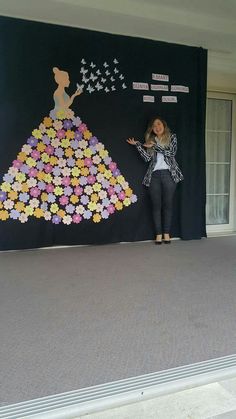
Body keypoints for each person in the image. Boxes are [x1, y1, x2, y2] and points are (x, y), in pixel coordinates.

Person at [127, 117, 183, 244]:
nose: (157, 127)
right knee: (156, 206)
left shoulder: (172, 137)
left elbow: (172, 152)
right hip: (154, 176)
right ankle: (158, 234)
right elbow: (147, 158)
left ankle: (166, 233)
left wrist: (156, 146)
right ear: (152, 129)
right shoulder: (150, 140)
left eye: (158, 124)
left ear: (163, 125)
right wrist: (138, 145)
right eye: (154, 125)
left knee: (168, 205)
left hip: (170, 174)